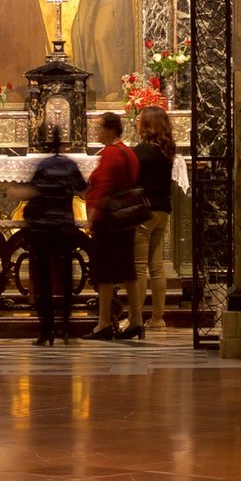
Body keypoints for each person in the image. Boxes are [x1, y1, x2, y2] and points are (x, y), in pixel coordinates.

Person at [83, 111, 144, 339]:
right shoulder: (128, 151)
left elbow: (104, 187)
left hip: (108, 219)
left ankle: (104, 322)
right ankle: (136, 319)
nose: (97, 132)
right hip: (126, 218)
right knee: (128, 270)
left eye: (99, 128)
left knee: (105, 273)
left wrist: (93, 215)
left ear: (110, 129)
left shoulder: (110, 153)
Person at [22, 143, 87, 346]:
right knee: (66, 277)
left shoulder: (43, 165)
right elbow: (83, 189)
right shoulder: (69, 165)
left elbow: (32, 191)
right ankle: (65, 326)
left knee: (43, 280)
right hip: (64, 226)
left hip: (42, 228)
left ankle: (46, 330)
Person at [130, 105, 178, 335]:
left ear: (147, 124)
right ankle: (158, 317)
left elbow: (132, 181)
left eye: (139, 119)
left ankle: (136, 318)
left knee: (139, 268)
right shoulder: (167, 150)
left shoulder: (141, 151)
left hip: (144, 212)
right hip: (162, 211)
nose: (136, 122)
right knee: (157, 268)